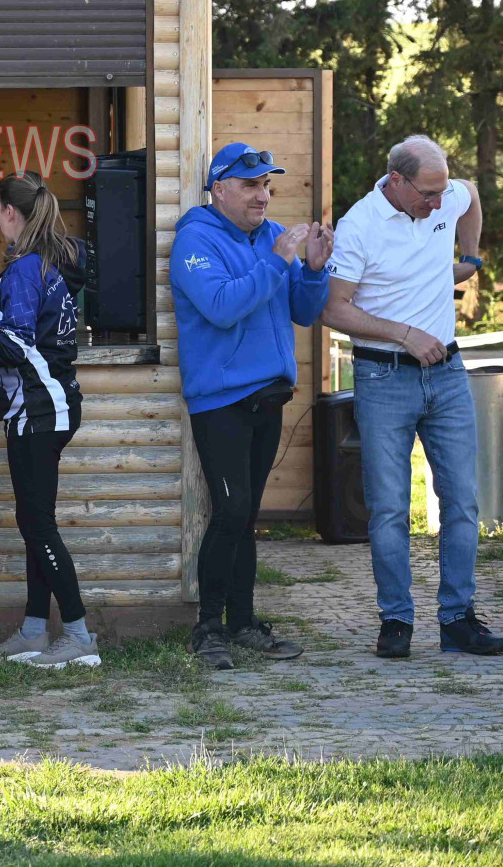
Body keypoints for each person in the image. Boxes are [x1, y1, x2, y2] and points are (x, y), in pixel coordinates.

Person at [323, 135, 503, 659]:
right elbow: (334, 310)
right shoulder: (358, 227)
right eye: (428, 194)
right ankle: (396, 621)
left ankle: (458, 619)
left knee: (462, 502)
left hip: (448, 374)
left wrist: (469, 258)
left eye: (439, 193)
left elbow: (469, 194)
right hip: (384, 378)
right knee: (388, 510)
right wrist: (404, 334)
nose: (436, 204)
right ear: (397, 182)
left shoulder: (444, 195)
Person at [168, 143, 330, 670]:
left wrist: (312, 269)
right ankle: (208, 627)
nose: (262, 195)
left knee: (247, 517)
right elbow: (220, 307)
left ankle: (242, 621)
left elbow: (303, 313)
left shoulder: (271, 238)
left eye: (267, 185)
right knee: (231, 511)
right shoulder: (196, 239)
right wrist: (278, 260)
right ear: (219, 190)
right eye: (250, 185)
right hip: (221, 400)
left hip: (267, 395)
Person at [0, 172, 95, 670]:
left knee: (37, 523)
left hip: (37, 409)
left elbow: (18, 346)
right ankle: (32, 631)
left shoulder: (26, 267)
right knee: (35, 523)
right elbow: (31, 332)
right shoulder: (47, 263)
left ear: (9, 212)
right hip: (52, 404)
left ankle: (78, 635)